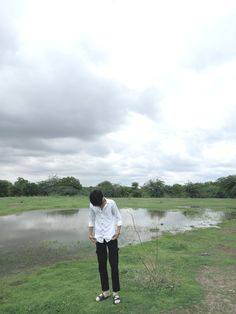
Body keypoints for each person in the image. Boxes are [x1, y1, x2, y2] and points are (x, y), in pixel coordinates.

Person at [88, 189, 122, 305]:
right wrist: (90, 233)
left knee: (114, 265)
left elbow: (119, 217)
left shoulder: (111, 203)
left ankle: (116, 293)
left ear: (103, 198)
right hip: (99, 238)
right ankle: (106, 292)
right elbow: (91, 220)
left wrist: (118, 231)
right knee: (101, 266)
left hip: (111, 236)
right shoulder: (93, 204)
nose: (99, 206)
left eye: (100, 204)